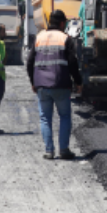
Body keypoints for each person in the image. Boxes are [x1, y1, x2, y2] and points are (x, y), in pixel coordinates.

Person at [27, 9, 83, 160]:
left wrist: (33, 82)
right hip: (61, 85)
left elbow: (30, 62)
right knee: (64, 116)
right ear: (62, 23)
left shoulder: (39, 38)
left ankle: (49, 151)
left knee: (45, 118)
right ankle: (64, 150)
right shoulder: (66, 38)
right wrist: (78, 82)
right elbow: (72, 63)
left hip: (42, 86)